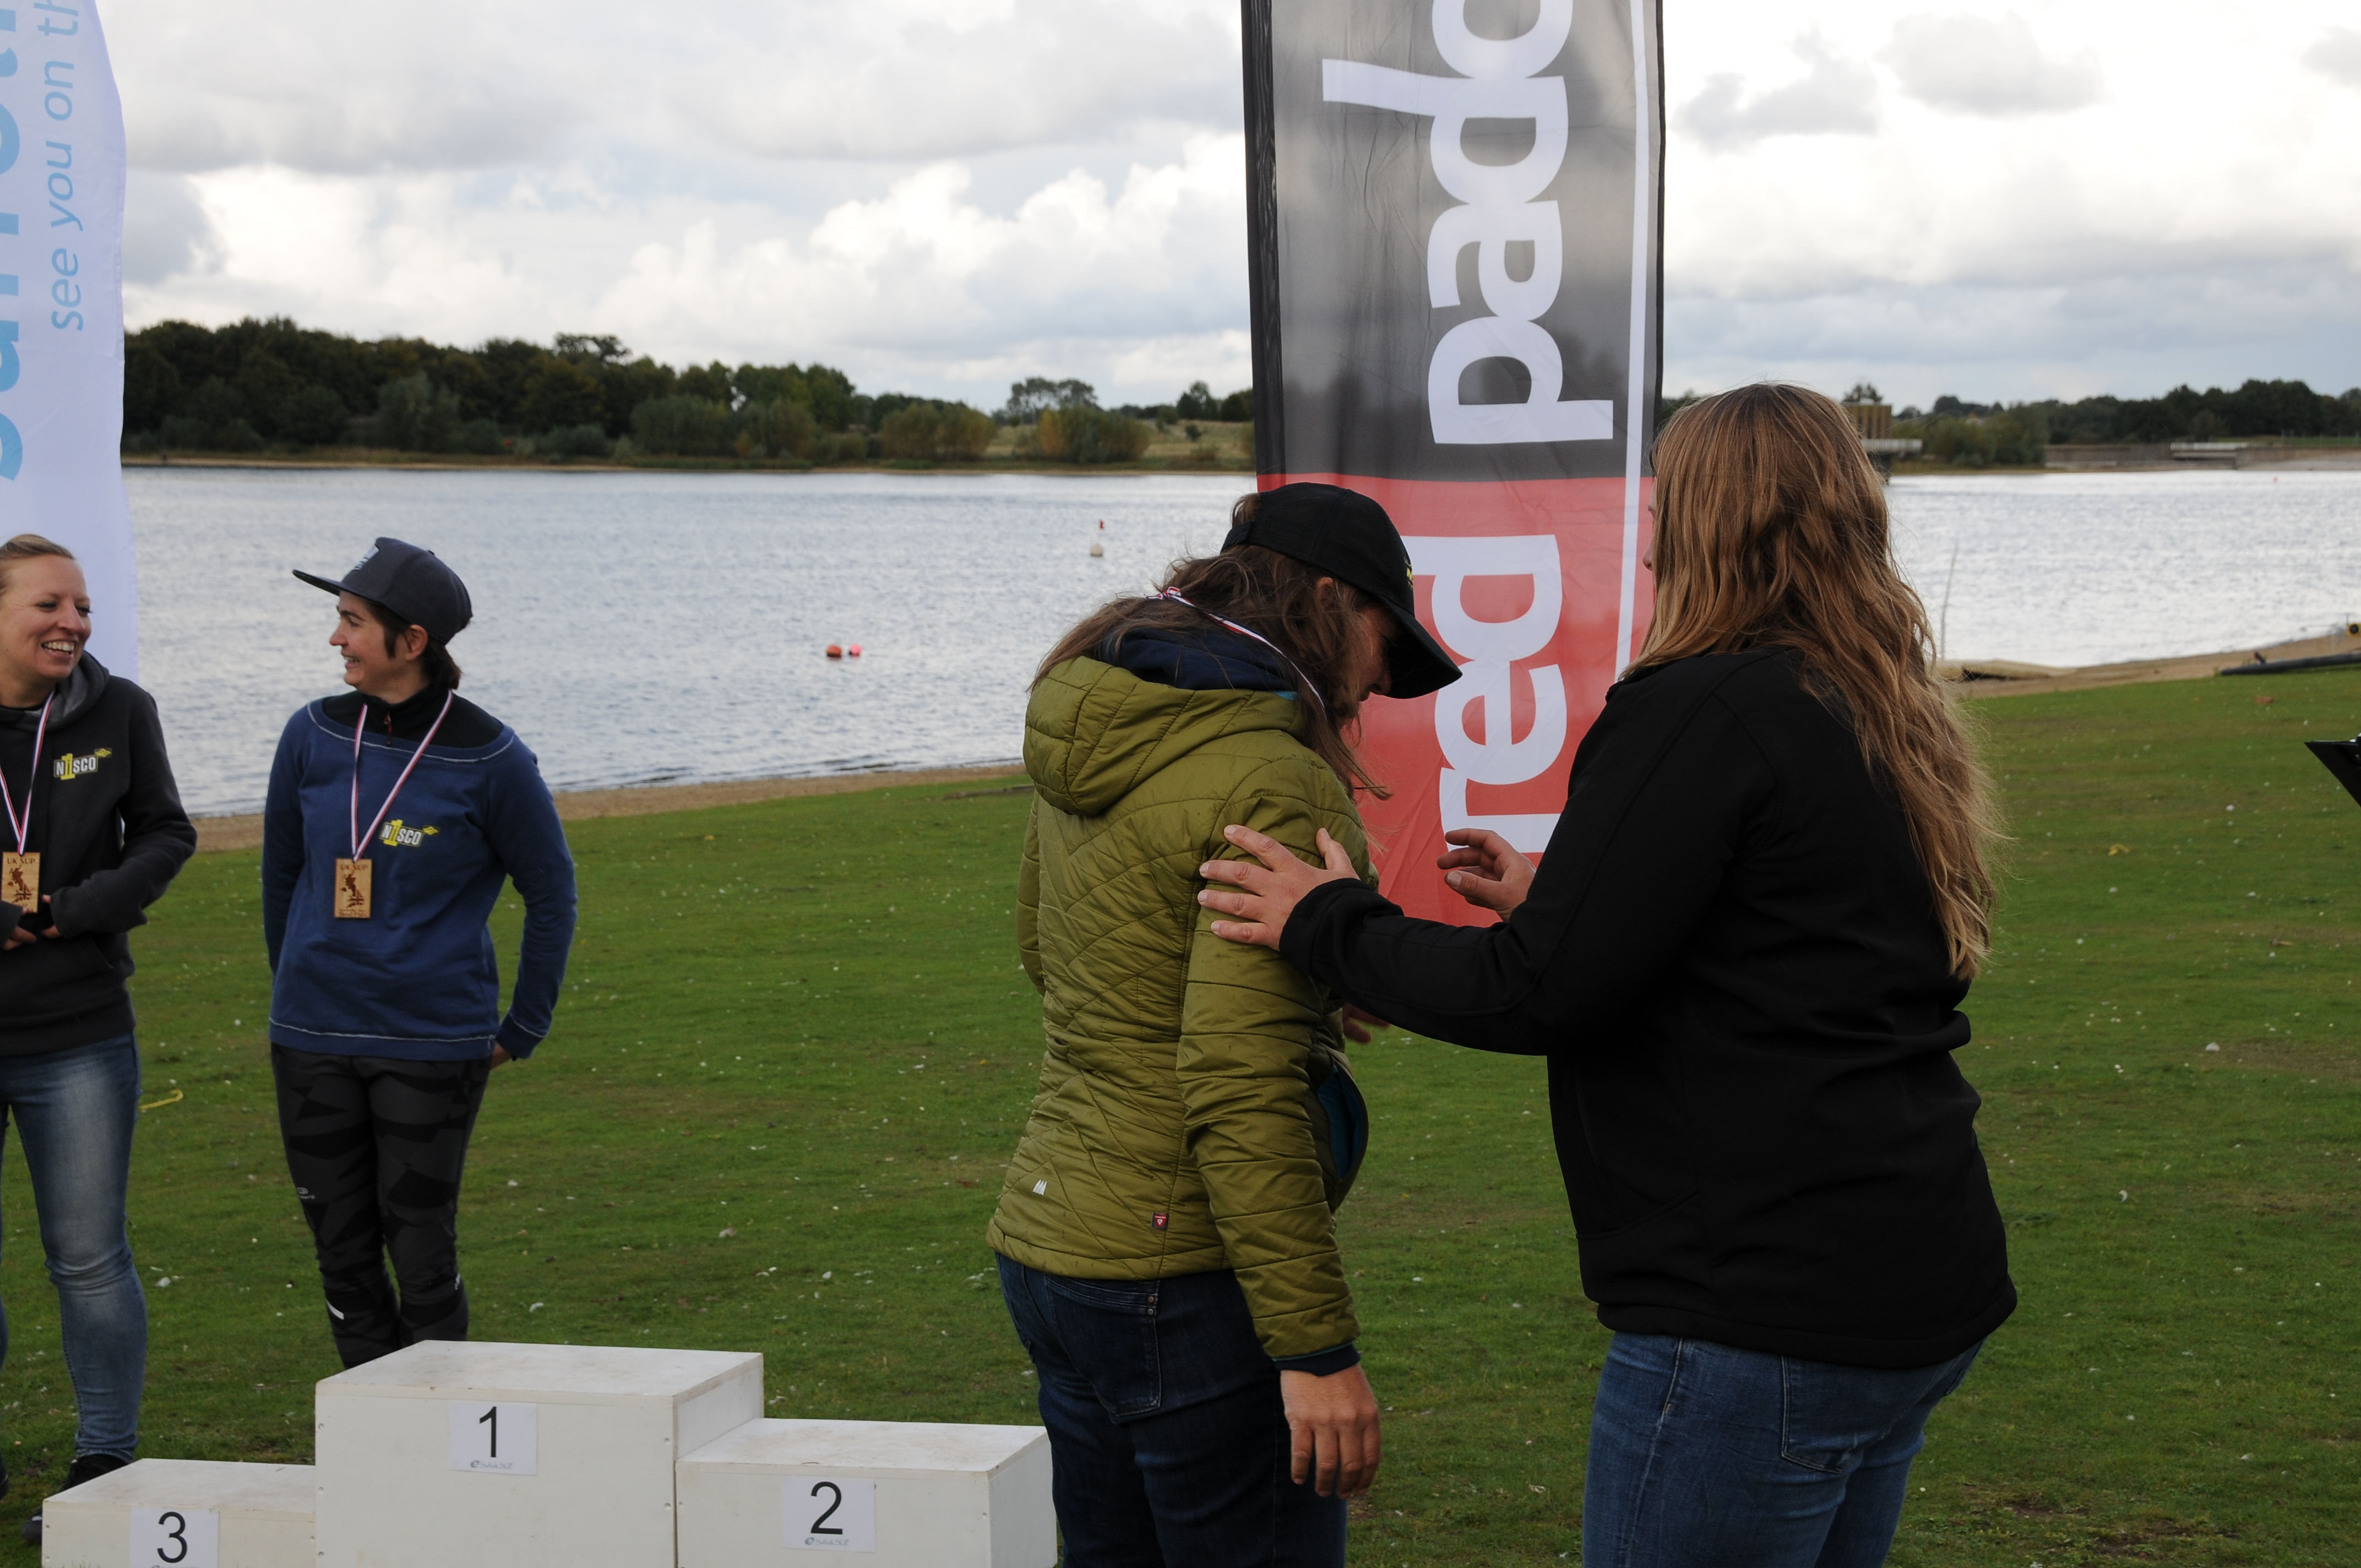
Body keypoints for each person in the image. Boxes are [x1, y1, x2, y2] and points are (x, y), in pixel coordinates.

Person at [1198, 385, 2015, 1568]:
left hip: (1762, 1312)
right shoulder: (1867, 700)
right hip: (1912, 1274)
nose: (1649, 535)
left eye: (1664, 506)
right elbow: (1794, 942)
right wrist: (1564, 898)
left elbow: (1534, 991)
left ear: (1706, 521)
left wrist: (1323, 921)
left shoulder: (1699, 705)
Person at [987, 483, 1461, 1566]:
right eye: (1385, 634)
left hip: (1057, 1248)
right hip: (1180, 1275)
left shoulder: (1100, 720)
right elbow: (1239, 1084)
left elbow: (1053, 954)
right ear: (1330, 599)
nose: (1379, 680)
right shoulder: (1272, 775)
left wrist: (1312, 979)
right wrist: (1316, 1349)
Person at [263, 537, 576, 1367]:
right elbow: (281, 875)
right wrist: (297, 985)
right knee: (342, 1258)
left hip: (431, 1043)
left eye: (353, 622)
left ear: (412, 642)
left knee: (421, 1252)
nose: (336, 637)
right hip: (312, 1040)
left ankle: (439, 1431)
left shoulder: (492, 756)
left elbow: (552, 893)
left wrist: (525, 1025)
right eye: (338, 618)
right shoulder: (310, 735)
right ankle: (374, 1429)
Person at [0, 535, 195, 1542]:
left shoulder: (122, 710)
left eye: (81, 606)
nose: (73, 622)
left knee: (87, 1259)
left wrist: (75, 910)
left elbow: (167, 832)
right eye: (50, 604)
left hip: (76, 1031)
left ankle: (105, 1463)